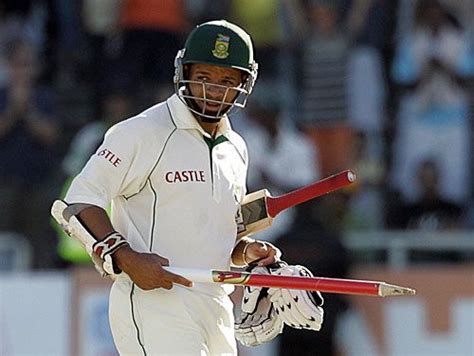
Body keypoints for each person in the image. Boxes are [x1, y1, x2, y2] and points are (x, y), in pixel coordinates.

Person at [52, 20, 324, 355]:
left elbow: (219, 234)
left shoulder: (236, 147)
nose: (214, 91)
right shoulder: (142, 131)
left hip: (216, 305)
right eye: (204, 77)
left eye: (227, 81)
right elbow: (77, 203)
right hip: (155, 304)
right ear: (184, 72)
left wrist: (247, 252)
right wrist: (125, 258)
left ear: (245, 84)